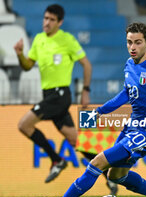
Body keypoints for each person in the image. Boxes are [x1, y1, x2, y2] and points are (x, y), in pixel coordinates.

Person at [36, 22, 146, 197]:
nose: (132, 47)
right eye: (129, 42)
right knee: (116, 176)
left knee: (97, 162)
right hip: (131, 127)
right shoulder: (129, 64)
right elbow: (126, 94)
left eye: (137, 42)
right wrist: (99, 112)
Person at [14, 4, 92, 183]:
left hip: (60, 95)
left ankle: (56, 160)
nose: (46, 22)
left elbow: (87, 64)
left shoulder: (67, 40)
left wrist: (85, 91)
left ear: (60, 22)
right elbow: (27, 66)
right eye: (45, 18)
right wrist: (19, 54)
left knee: (24, 125)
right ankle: (108, 172)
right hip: (48, 96)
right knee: (76, 140)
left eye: (51, 20)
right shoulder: (39, 39)